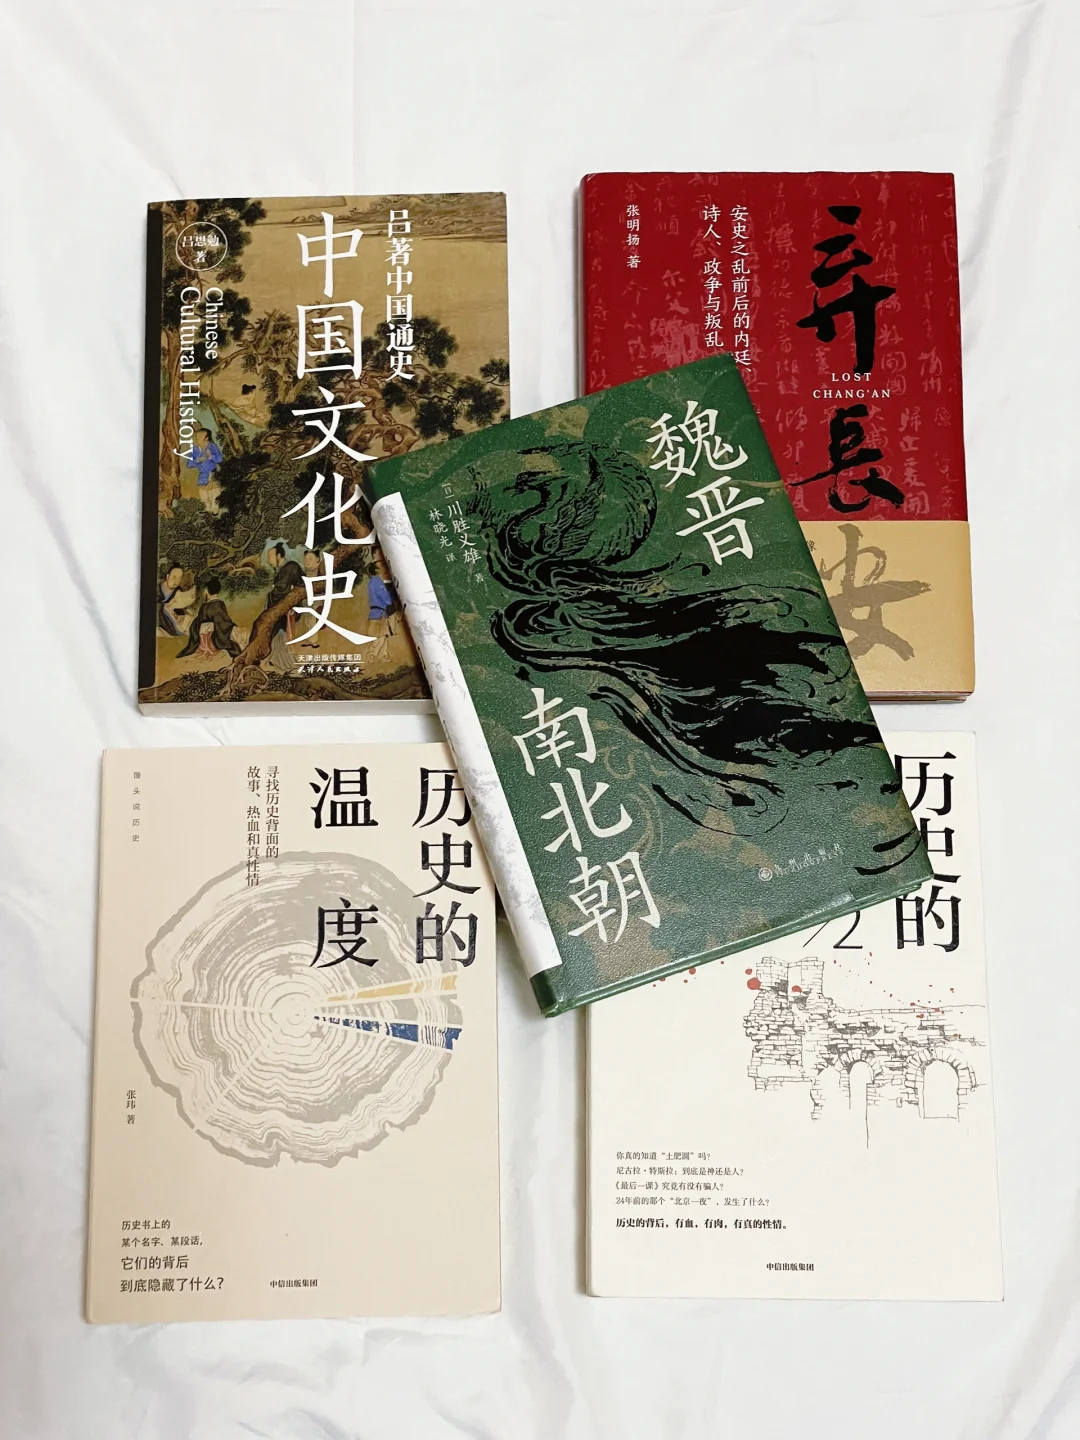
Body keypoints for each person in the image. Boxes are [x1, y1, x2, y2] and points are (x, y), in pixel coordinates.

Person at [176, 577, 240, 659]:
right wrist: (230, 625)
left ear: (206, 591)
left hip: (203, 640)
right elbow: (223, 622)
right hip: (213, 639)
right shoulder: (220, 604)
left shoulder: (204, 606)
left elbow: (198, 622)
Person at [263, 542, 304, 671]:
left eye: (270, 557)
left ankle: (286, 663)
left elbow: (280, 591)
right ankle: (277, 659)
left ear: (279, 556)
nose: (269, 561)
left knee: (281, 633)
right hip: (284, 607)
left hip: (288, 608)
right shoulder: (284, 569)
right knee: (277, 633)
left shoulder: (290, 567)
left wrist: (270, 595)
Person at [365, 554, 399, 663]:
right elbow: (387, 599)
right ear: (377, 570)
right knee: (380, 636)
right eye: (381, 566)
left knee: (383, 635)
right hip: (379, 613)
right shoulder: (377, 581)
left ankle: (383, 655)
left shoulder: (373, 581)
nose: (384, 568)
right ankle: (372, 654)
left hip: (379, 612)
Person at [157, 563, 185, 636]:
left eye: (179, 578)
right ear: (167, 576)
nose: (176, 581)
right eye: (174, 577)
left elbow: (180, 608)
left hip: (172, 622)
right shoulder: (157, 589)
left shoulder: (178, 591)